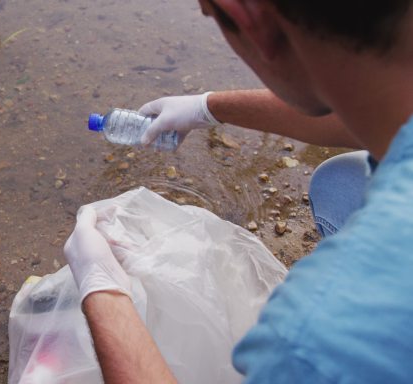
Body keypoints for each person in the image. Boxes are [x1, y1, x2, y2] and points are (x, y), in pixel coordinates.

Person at [63, 0, 413, 383]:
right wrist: (206, 108)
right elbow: (355, 113)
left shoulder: (308, 339)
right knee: (339, 182)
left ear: (250, 19)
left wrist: (103, 291)